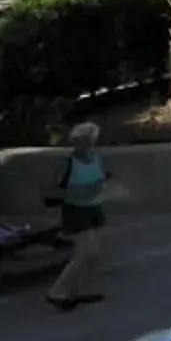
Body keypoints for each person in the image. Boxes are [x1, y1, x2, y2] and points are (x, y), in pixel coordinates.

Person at [45, 122, 110, 311]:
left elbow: (98, 178)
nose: (89, 144)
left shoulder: (95, 157)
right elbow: (55, 189)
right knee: (84, 253)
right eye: (85, 141)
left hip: (93, 207)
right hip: (75, 210)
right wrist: (78, 192)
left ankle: (73, 292)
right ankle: (56, 292)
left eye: (91, 140)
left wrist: (104, 182)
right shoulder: (68, 161)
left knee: (93, 254)